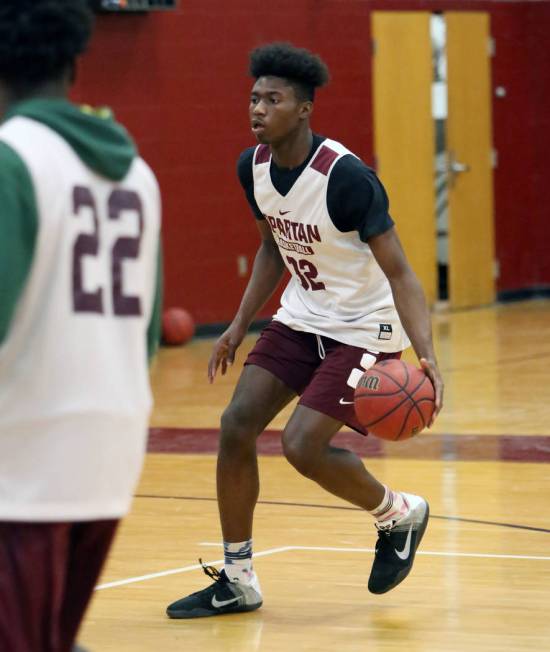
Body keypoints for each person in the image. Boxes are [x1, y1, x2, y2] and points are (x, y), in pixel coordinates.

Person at [166, 42, 443, 619]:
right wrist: (239, 324)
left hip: (366, 328)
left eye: (273, 99)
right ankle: (237, 579)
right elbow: (273, 244)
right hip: (301, 317)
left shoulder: (347, 179)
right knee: (236, 425)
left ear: (304, 110)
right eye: (254, 98)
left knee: (300, 445)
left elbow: (402, 272)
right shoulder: (255, 167)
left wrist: (426, 354)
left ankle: (398, 513)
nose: (258, 109)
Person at [0, 1, 162, 650]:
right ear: (73, 62)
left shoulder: (13, 158)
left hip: (24, 459)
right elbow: (145, 335)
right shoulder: (139, 175)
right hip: (109, 449)